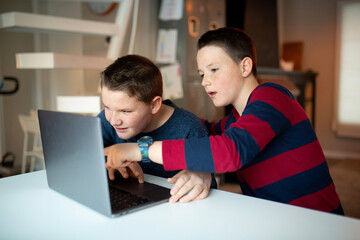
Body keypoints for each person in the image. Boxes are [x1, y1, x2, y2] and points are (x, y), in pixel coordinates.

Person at [105, 28, 343, 215]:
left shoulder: (273, 96)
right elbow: (204, 131)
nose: (205, 81)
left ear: (245, 66)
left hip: (316, 221)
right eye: (201, 74)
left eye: (214, 69)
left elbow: (230, 150)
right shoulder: (235, 122)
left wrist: (139, 150)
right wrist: (154, 111)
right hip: (272, 217)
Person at [99, 54, 216, 204]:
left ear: (154, 105)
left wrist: (199, 178)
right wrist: (108, 163)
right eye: (107, 107)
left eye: (125, 111)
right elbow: (84, 154)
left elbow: (207, 186)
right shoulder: (108, 118)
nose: (113, 120)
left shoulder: (189, 129)